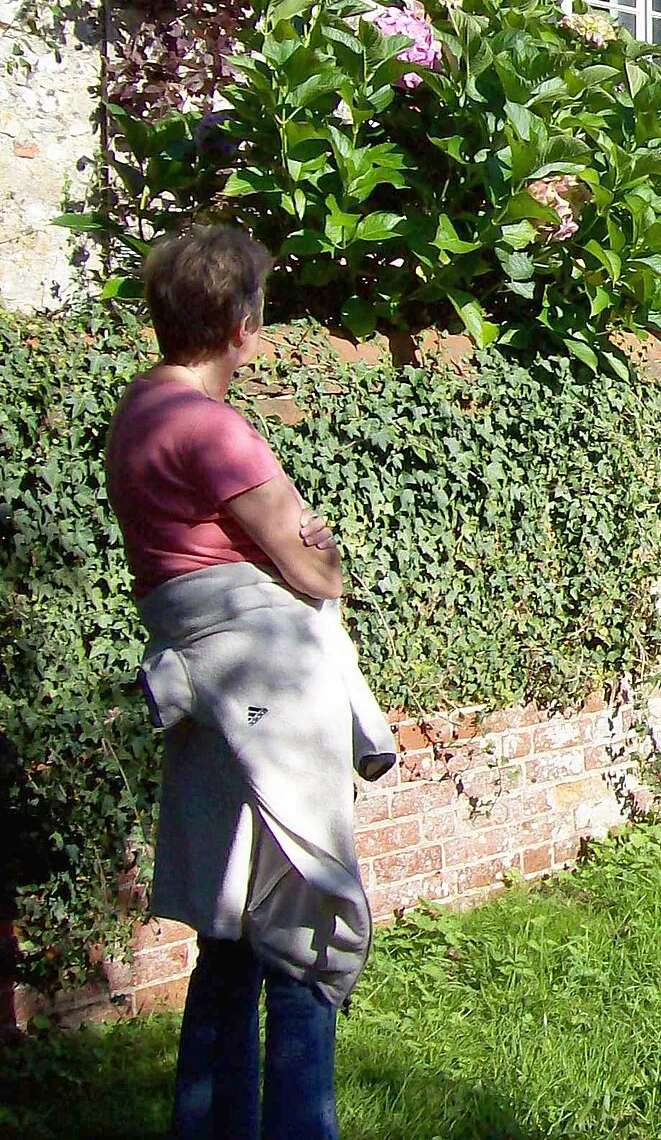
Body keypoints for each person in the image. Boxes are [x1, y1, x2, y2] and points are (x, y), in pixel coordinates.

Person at [105, 225, 395, 1140]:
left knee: (228, 933)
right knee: (303, 932)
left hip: (204, 687)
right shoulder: (212, 428)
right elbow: (315, 571)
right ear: (241, 323)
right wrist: (322, 554)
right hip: (267, 684)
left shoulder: (138, 410)